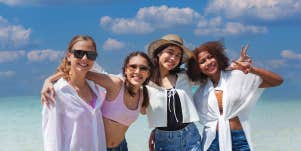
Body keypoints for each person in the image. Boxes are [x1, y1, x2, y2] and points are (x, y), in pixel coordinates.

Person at [41, 51, 154, 151]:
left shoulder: (143, 94)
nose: (138, 71)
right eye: (133, 67)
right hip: (99, 146)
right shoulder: (115, 84)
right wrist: (49, 80)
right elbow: (80, 72)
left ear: (148, 73)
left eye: (143, 68)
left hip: (122, 147)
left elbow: (148, 111)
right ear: (125, 70)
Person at [187, 41, 283, 151]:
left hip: (239, 139)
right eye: (202, 61)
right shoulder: (200, 92)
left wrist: (252, 70)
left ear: (217, 57)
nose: (208, 62)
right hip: (212, 140)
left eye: (210, 57)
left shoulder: (237, 77)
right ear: (197, 68)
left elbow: (277, 81)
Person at [42, 35, 107, 151]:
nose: (85, 58)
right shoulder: (56, 93)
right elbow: (51, 140)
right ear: (69, 56)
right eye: (79, 53)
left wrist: (49, 79)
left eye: (91, 55)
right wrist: (49, 81)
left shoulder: (97, 89)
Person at [145, 34, 201, 151]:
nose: (173, 58)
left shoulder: (184, 76)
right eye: (170, 52)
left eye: (178, 55)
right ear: (159, 53)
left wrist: (234, 67)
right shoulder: (146, 81)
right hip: (164, 139)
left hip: (190, 135)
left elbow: (210, 76)